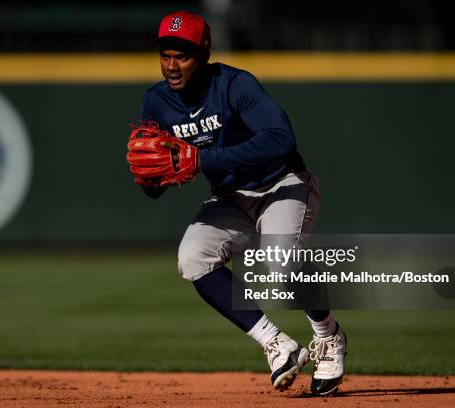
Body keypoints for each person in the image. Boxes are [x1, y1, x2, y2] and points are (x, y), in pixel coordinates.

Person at [135, 11, 347, 395]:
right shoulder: (157, 102)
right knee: (192, 258)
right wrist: (152, 178)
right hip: (230, 197)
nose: (171, 66)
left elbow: (281, 138)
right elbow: (156, 183)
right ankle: (276, 344)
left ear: (202, 54)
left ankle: (329, 336)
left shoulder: (234, 84)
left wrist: (202, 160)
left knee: (280, 263)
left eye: (181, 56)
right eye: (165, 55)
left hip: (282, 183)